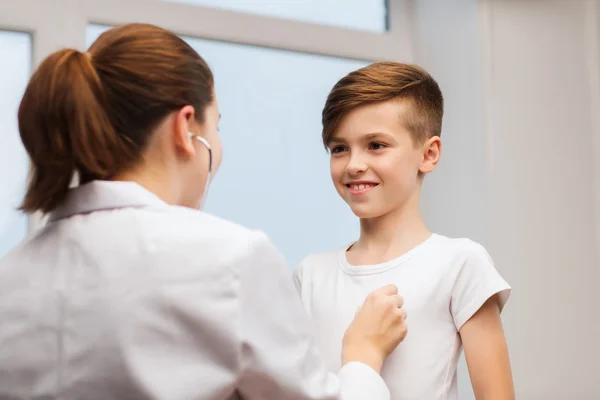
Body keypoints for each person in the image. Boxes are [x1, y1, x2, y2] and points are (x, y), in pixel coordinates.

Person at [0, 24, 409, 400]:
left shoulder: (12, 275)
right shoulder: (228, 259)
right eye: (217, 124)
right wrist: (363, 358)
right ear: (185, 127)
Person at [293, 62, 515, 400]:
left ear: (428, 154)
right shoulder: (310, 274)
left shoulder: (459, 264)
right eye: (339, 148)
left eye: (376, 145)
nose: (354, 164)